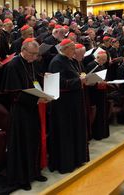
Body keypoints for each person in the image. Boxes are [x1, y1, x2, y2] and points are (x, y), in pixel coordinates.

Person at [0, 38, 48, 191]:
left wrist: (44, 78)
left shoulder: (31, 62)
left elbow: (34, 80)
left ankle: (34, 172)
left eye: (37, 54)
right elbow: (14, 94)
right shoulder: (13, 65)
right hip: (20, 111)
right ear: (24, 51)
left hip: (33, 109)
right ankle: (23, 178)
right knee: (23, 144)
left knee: (34, 140)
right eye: (33, 54)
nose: (35, 57)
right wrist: (36, 99)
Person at [48, 39, 89, 174]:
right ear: (64, 49)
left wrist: (80, 78)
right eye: (72, 49)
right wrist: (79, 80)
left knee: (75, 130)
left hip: (73, 102)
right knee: (66, 133)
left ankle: (77, 159)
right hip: (63, 105)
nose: (74, 51)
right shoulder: (57, 61)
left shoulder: (70, 60)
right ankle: (66, 163)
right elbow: (59, 83)